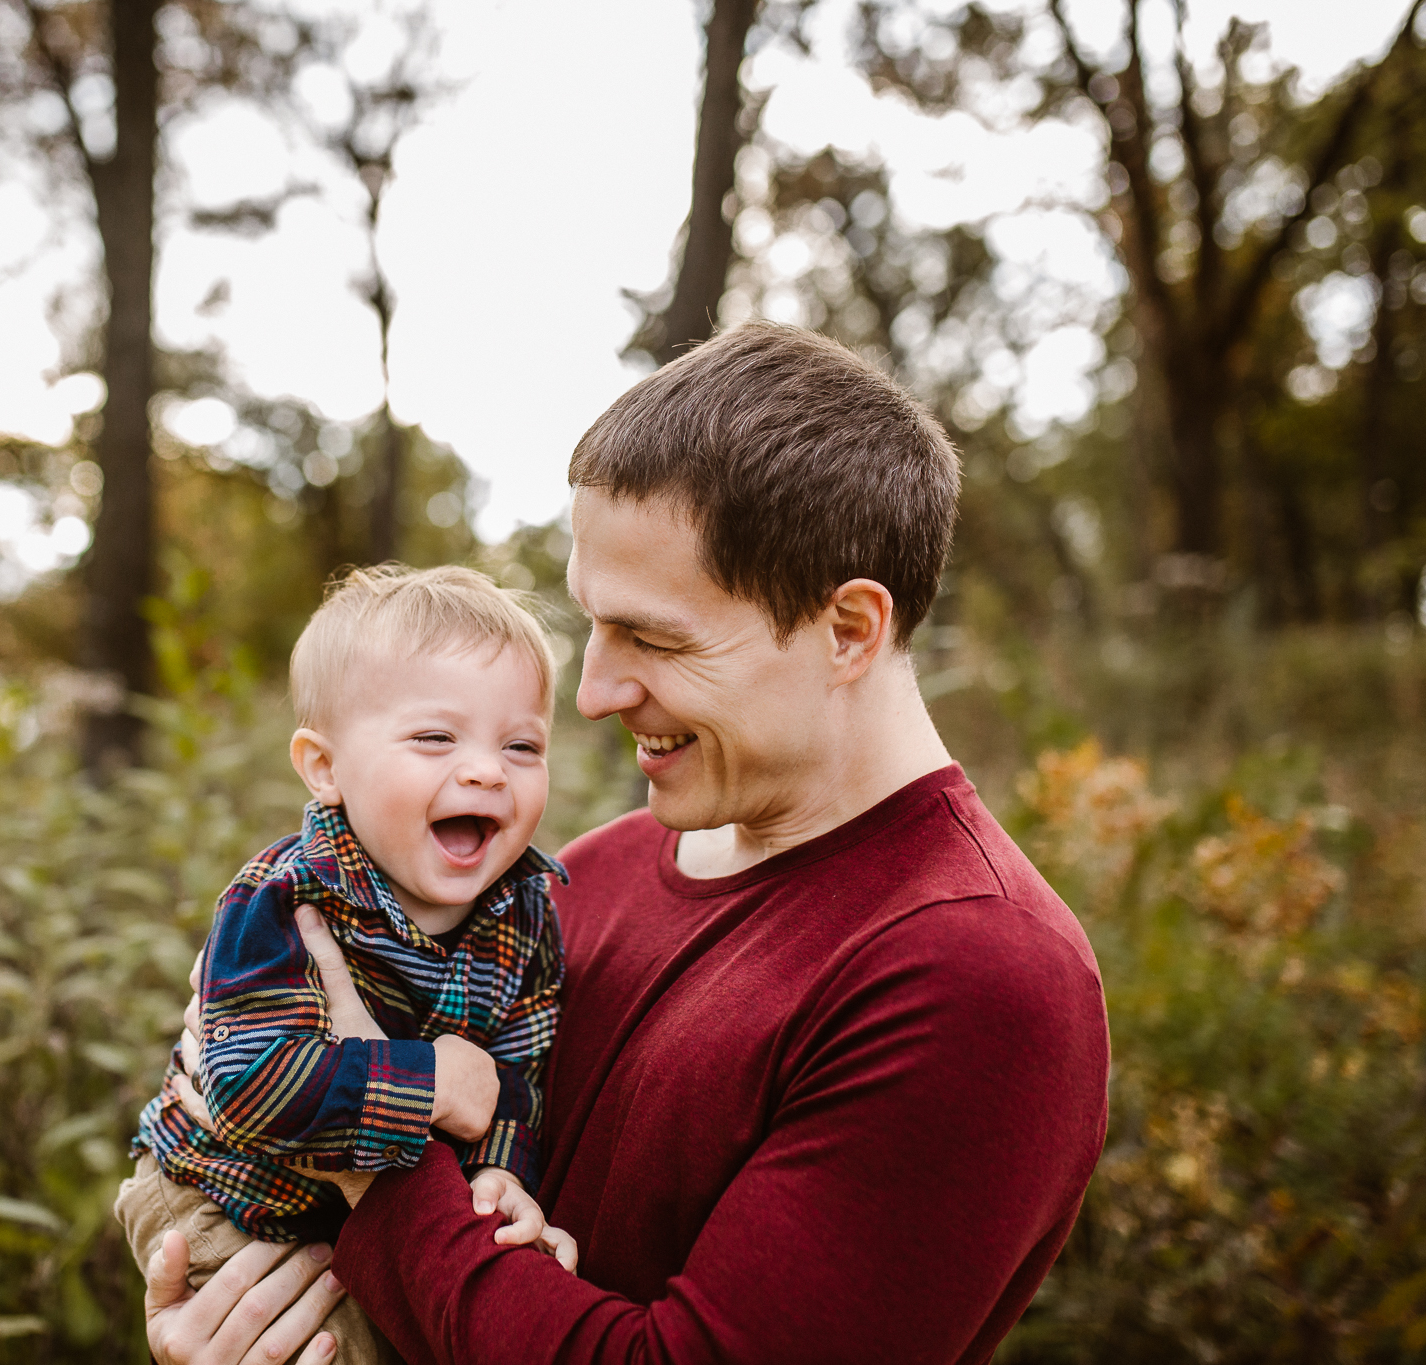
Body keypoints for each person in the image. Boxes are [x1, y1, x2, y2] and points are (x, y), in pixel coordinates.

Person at [142, 323, 1111, 1365]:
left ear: (846, 631)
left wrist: (368, 1145)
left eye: (653, 638)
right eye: (591, 628)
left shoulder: (973, 975)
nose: (595, 694)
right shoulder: (578, 877)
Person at [116, 565, 581, 1365]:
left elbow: (515, 1074)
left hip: (359, 1218)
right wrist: (431, 1078)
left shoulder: (528, 912)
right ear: (325, 767)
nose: (486, 769)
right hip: (227, 1199)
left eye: (521, 744)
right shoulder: (287, 898)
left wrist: (499, 1171)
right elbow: (246, 1087)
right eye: (435, 737)